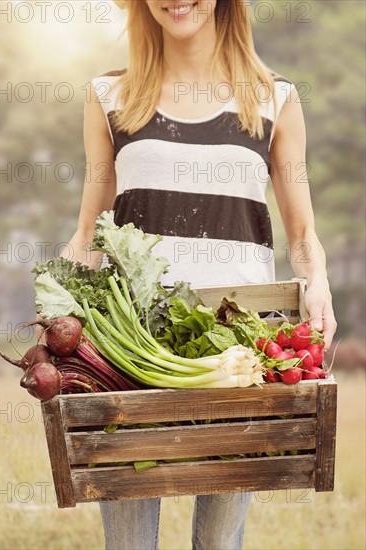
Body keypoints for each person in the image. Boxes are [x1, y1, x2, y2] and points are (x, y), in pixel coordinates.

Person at [64, 1, 337, 548]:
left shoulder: (274, 98)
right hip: (135, 350)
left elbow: (302, 233)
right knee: (129, 543)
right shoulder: (109, 97)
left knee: (218, 542)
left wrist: (320, 285)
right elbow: (92, 226)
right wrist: (58, 302)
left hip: (238, 352)